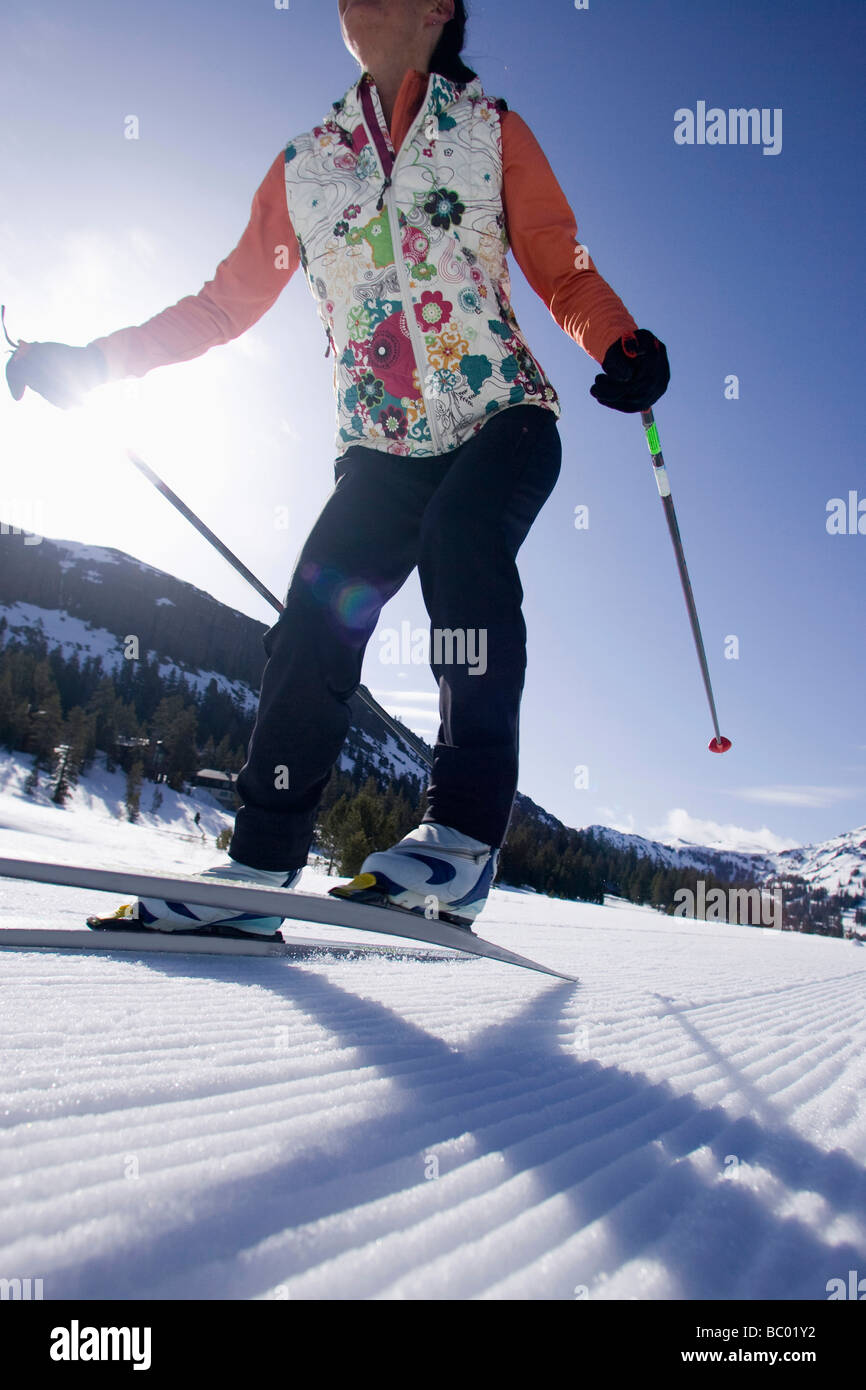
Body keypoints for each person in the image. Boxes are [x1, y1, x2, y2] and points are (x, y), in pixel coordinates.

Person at [6, 0, 669, 938]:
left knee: (461, 542)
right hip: (382, 451)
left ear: (438, 9)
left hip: (503, 420)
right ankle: (260, 867)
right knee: (315, 618)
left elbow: (562, 269)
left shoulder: (488, 131)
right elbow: (221, 306)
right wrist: (91, 363)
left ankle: (463, 841)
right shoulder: (307, 166)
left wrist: (623, 341)